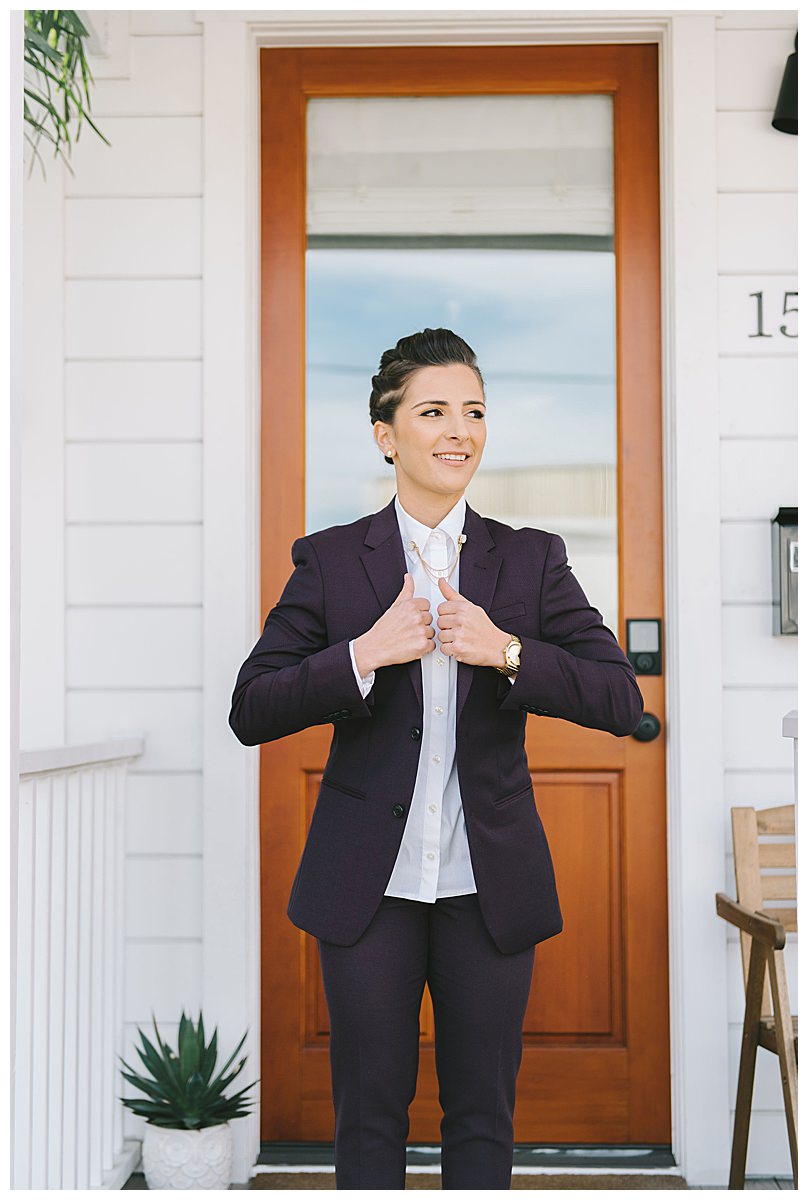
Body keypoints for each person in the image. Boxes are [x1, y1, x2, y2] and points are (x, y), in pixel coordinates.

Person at [229, 327, 644, 1190]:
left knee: (484, 1122)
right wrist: (363, 653)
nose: (459, 431)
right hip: (365, 890)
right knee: (369, 1120)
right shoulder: (334, 559)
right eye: (433, 411)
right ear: (386, 434)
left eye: (474, 412)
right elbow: (252, 706)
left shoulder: (530, 559)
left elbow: (619, 697)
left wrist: (509, 651)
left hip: (488, 885)